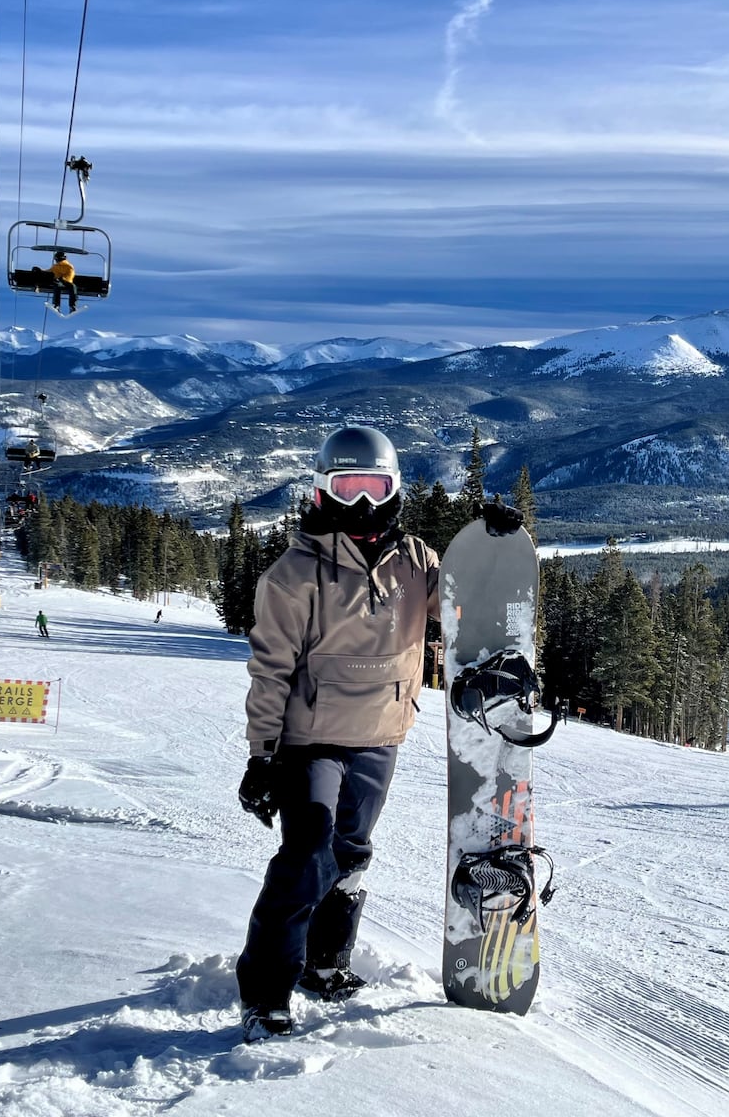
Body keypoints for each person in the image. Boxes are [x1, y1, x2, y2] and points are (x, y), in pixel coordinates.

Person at [233, 425, 522, 1043]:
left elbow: (464, 606)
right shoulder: (294, 574)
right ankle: (264, 992)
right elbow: (271, 669)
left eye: (375, 487)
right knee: (306, 852)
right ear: (322, 489)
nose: (362, 502)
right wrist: (262, 755)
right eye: (348, 487)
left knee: (350, 855)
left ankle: (325, 961)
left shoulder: (416, 562)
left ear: (394, 489)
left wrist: (492, 549)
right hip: (311, 739)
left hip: (381, 735)